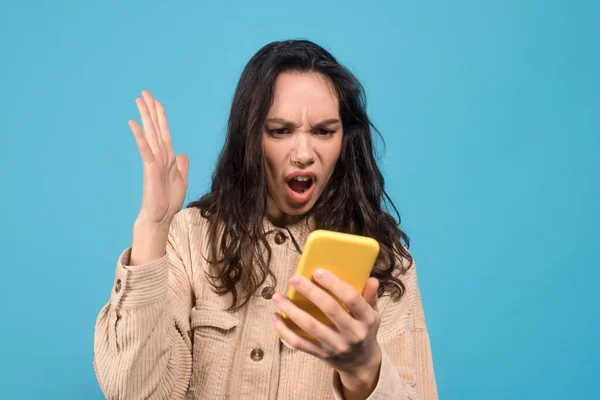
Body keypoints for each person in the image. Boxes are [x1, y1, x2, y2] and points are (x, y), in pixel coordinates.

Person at [93, 39, 438, 400]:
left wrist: (364, 370)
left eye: (323, 131)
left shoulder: (386, 265)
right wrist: (152, 225)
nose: (304, 154)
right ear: (251, 137)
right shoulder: (188, 238)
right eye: (280, 131)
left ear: (344, 141)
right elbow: (132, 391)